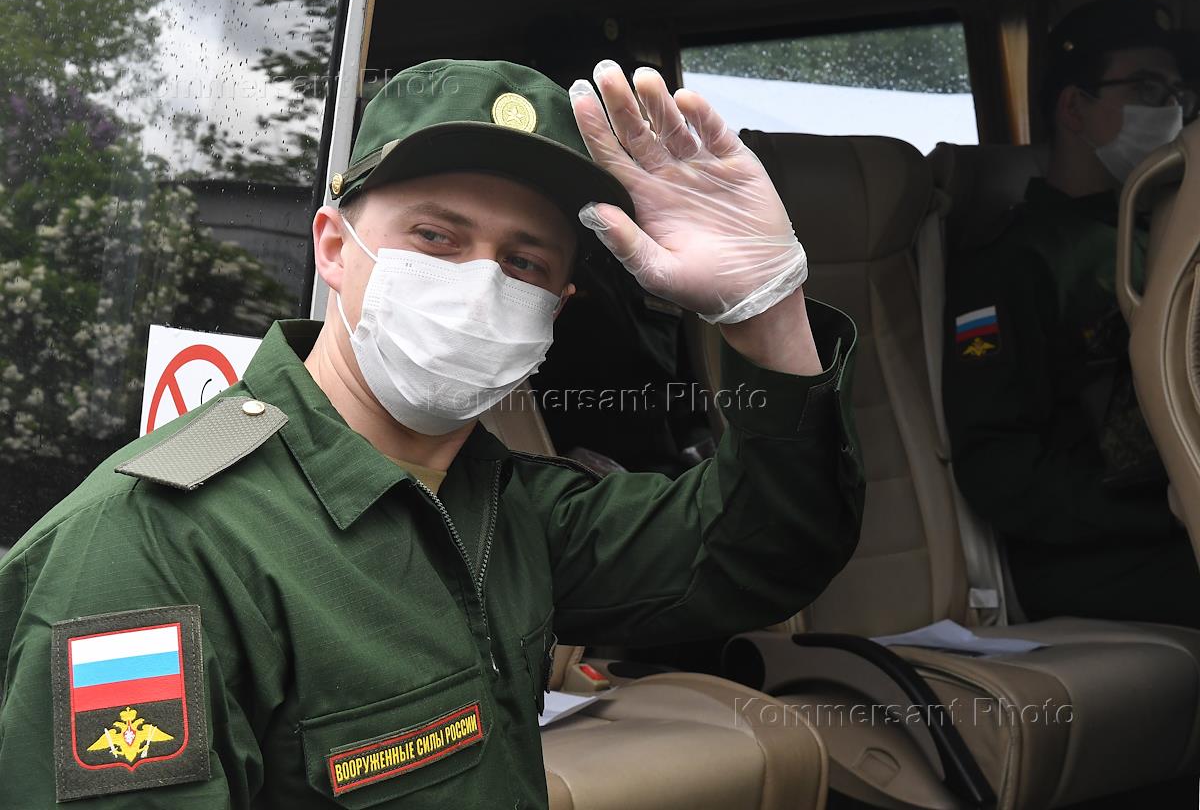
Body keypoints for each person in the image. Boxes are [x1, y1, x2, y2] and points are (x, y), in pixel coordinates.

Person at [0, 59, 862, 807]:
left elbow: (760, 551)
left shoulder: (507, 506)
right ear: (333, 248)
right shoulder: (153, 549)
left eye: (524, 262)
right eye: (436, 237)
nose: (480, 285)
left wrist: (768, 314)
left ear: (556, 309)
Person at [943, 0, 1200, 627]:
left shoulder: (1167, 235)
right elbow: (999, 466)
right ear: (1074, 107)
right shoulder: (1013, 261)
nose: (1168, 110)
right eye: (1146, 88)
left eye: (1176, 95)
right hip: (1096, 556)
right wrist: (1163, 510)